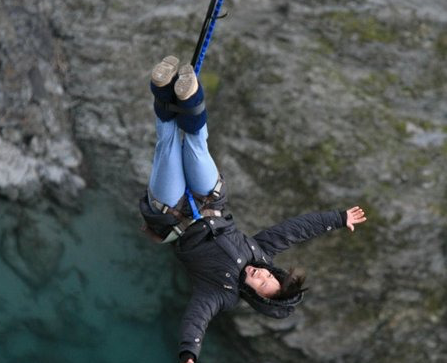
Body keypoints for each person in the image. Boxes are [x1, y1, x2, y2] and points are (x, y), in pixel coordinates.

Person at [140, 56, 367, 363]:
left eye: (260, 282)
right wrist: (338, 219)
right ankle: (187, 94)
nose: (260, 273)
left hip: (172, 215)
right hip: (210, 202)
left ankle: (161, 88)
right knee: (196, 143)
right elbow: (296, 230)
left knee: (167, 145)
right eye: (267, 275)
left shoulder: (220, 293)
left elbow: (197, 318)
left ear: (255, 295)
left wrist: (189, 354)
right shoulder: (260, 252)